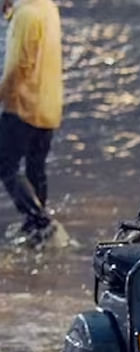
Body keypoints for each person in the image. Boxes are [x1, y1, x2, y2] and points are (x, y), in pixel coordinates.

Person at [0, 0, 60, 243]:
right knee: (36, 168)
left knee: (5, 165)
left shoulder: (25, 15)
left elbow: (17, 66)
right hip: (49, 106)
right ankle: (39, 233)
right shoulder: (47, 8)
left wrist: (3, 96)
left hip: (24, 106)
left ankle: (39, 219)